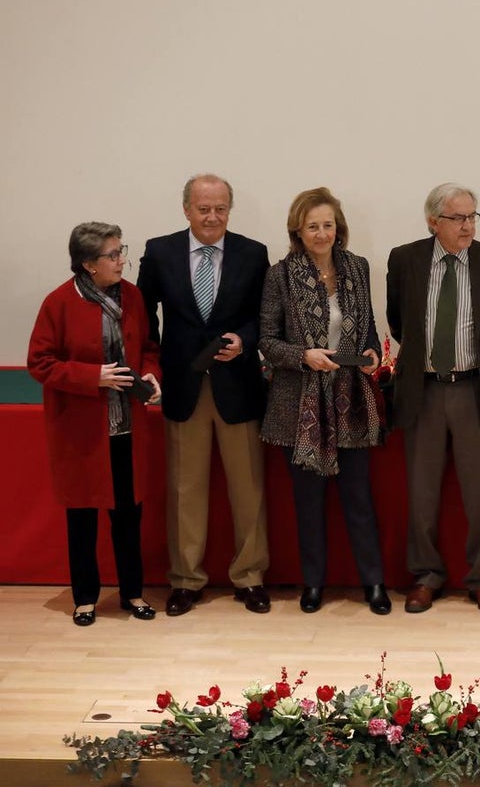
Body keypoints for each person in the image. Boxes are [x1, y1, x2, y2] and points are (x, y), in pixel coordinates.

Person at [138, 174, 271, 616]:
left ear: (230, 210)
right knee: (185, 488)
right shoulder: (159, 252)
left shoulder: (253, 253)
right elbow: (142, 317)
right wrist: (152, 364)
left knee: (247, 487)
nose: (212, 217)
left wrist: (244, 340)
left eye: (220, 209)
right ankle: (185, 581)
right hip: (183, 386)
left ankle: (249, 577)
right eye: (203, 208)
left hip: (240, 386)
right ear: (186, 209)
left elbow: (263, 317)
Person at [385, 183, 480, 614]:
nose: (468, 226)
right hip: (422, 389)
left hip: (474, 390)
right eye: (458, 218)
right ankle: (426, 575)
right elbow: (398, 321)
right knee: (421, 493)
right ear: (433, 222)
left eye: (472, 216)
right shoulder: (404, 259)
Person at [260, 188, 390, 615]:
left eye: (328, 224)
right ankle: (312, 584)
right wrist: (303, 356)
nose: (322, 233)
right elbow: (267, 341)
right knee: (308, 503)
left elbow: (368, 328)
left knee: (360, 498)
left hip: (350, 400)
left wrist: (371, 353)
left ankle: (373, 584)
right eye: (313, 225)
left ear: (340, 228)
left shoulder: (358, 267)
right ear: (299, 230)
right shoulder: (280, 274)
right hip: (298, 404)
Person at [28, 222, 161, 625]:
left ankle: (133, 594)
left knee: (128, 515)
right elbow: (40, 363)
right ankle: (84, 598)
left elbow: (151, 347)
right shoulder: (58, 303)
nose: (123, 260)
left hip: (127, 427)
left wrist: (153, 375)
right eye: (113, 254)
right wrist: (93, 377)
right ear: (88, 264)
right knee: (83, 518)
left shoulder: (134, 296)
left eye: (122, 251)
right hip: (83, 432)